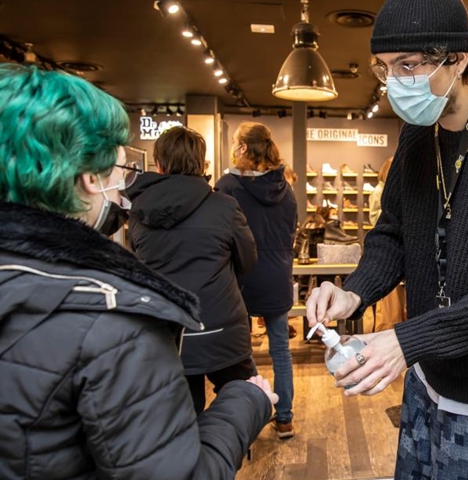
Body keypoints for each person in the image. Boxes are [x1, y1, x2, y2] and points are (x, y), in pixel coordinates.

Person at [0, 63, 277, 479]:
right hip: (223, 330)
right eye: (119, 165)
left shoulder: (129, 227)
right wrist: (247, 402)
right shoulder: (115, 321)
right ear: (91, 176)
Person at [305, 0, 468, 478]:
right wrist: (354, 291)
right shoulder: (416, 135)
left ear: (457, 60)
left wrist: (407, 339)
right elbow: (392, 233)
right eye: (386, 68)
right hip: (422, 374)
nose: (395, 83)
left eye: (409, 66)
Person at [126, 126, 259, 415]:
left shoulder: (138, 212)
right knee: (241, 402)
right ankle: (228, 453)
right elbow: (247, 259)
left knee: (184, 417)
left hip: (168, 333)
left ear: (159, 164)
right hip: (223, 328)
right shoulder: (224, 207)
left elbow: (137, 268)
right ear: (201, 163)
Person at [216, 122, 297, 439]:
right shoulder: (286, 189)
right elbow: (290, 232)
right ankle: (285, 418)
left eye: (236, 142)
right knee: (281, 351)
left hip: (240, 278)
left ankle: (247, 418)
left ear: (244, 148)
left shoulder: (227, 187)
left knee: (240, 354)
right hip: (277, 276)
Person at [368, 157, 406, 332]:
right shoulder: (379, 191)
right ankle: (390, 326)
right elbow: (378, 219)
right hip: (389, 236)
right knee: (390, 298)